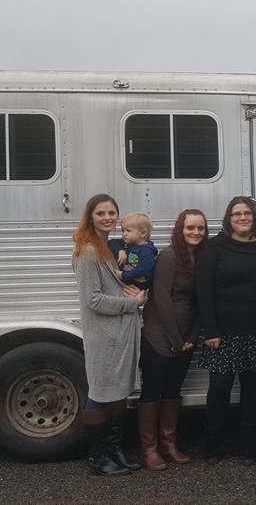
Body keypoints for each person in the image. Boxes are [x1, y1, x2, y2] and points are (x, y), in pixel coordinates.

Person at [196, 197, 256, 466]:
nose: (242, 218)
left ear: (254, 217)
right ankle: (211, 444)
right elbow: (203, 291)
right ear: (228, 219)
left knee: (252, 388)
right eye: (236, 214)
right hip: (224, 331)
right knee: (219, 387)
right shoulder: (214, 247)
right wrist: (211, 330)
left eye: (247, 214)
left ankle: (247, 445)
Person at [72, 194, 145, 476]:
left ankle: (115, 451)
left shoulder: (107, 247)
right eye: (100, 213)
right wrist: (134, 303)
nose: (107, 218)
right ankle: (98, 459)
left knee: (118, 394)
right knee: (100, 393)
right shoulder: (88, 251)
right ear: (90, 216)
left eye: (111, 213)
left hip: (120, 335)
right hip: (103, 336)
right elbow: (92, 300)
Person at [137, 209, 207, 470]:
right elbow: (161, 301)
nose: (196, 232)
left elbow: (201, 302)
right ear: (180, 229)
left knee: (172, 392)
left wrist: (191, 337)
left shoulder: (201, 257)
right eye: (190, 228)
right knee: (152, 392)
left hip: (186, 339)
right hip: (159, 337)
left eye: (200, 228)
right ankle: (149, 449)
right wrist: (176, 339)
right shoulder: (168, 256)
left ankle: (169, 445)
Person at [108, 212, 158, 291]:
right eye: (123, 230)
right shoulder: (128, 243)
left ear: (142, 233)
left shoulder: (146, 251)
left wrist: (123, 275)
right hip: (127, 284)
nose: (124, 234)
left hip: (139, 286)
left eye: (128, 230)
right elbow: (112, 242)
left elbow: (143, 269)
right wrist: (121, 251)